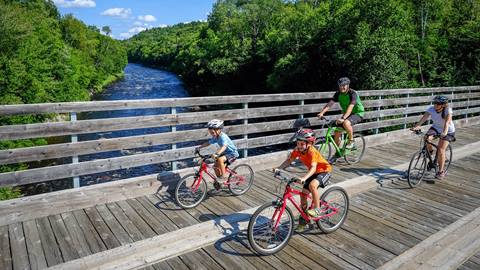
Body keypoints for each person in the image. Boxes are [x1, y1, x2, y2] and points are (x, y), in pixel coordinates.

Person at [273, 128, 332, 231]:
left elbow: (314, 168)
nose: (299, 146)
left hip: (324, 171)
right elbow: (289, 160)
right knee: (303, 196)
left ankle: (317, 209)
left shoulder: (312, 151)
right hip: (312, 173)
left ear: (309, 143)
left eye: (301, 144)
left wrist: (304, 178)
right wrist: (279, 168)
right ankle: (304, 219)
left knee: (312, 185)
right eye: (298, 143)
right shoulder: (298, 150)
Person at [317, 77, 365, 160]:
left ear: (348, 85)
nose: (342, 87)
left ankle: (351, 141)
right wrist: (322, 113)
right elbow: (330, 104)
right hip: (347, 114)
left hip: (358, 113)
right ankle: (338, 153)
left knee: (346, 123)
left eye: (344, 85)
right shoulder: (338, 93)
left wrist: (343, 118)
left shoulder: (352, 93)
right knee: (337, 132)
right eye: (340, 85)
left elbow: (350, 107)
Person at [411, 95, 455, 179]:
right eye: (434, 103)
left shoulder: (447, 110)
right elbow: (423, 118)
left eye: (437, 103)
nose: (435, 105)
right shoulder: (431, 109)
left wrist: (444, 133)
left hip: (448, 131)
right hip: (436, 127)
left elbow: (447, 123)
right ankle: (430, 151)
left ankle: (441, 171)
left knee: (441, 150)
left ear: (443, 105)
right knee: (426, 137)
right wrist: (417, 126)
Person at [196, 119, 239, 186]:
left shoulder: (223, 137)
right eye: (210, 133)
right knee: (215, 166)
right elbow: (208, 143)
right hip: (225, 153)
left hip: (232, 154)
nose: (212, 134)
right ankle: (219, 181)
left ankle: (224, 177)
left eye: (212, 133)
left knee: (220, 159)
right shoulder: (216, 136)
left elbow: (224, 146)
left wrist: (217, 153)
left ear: (218, 130)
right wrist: (199, 147)